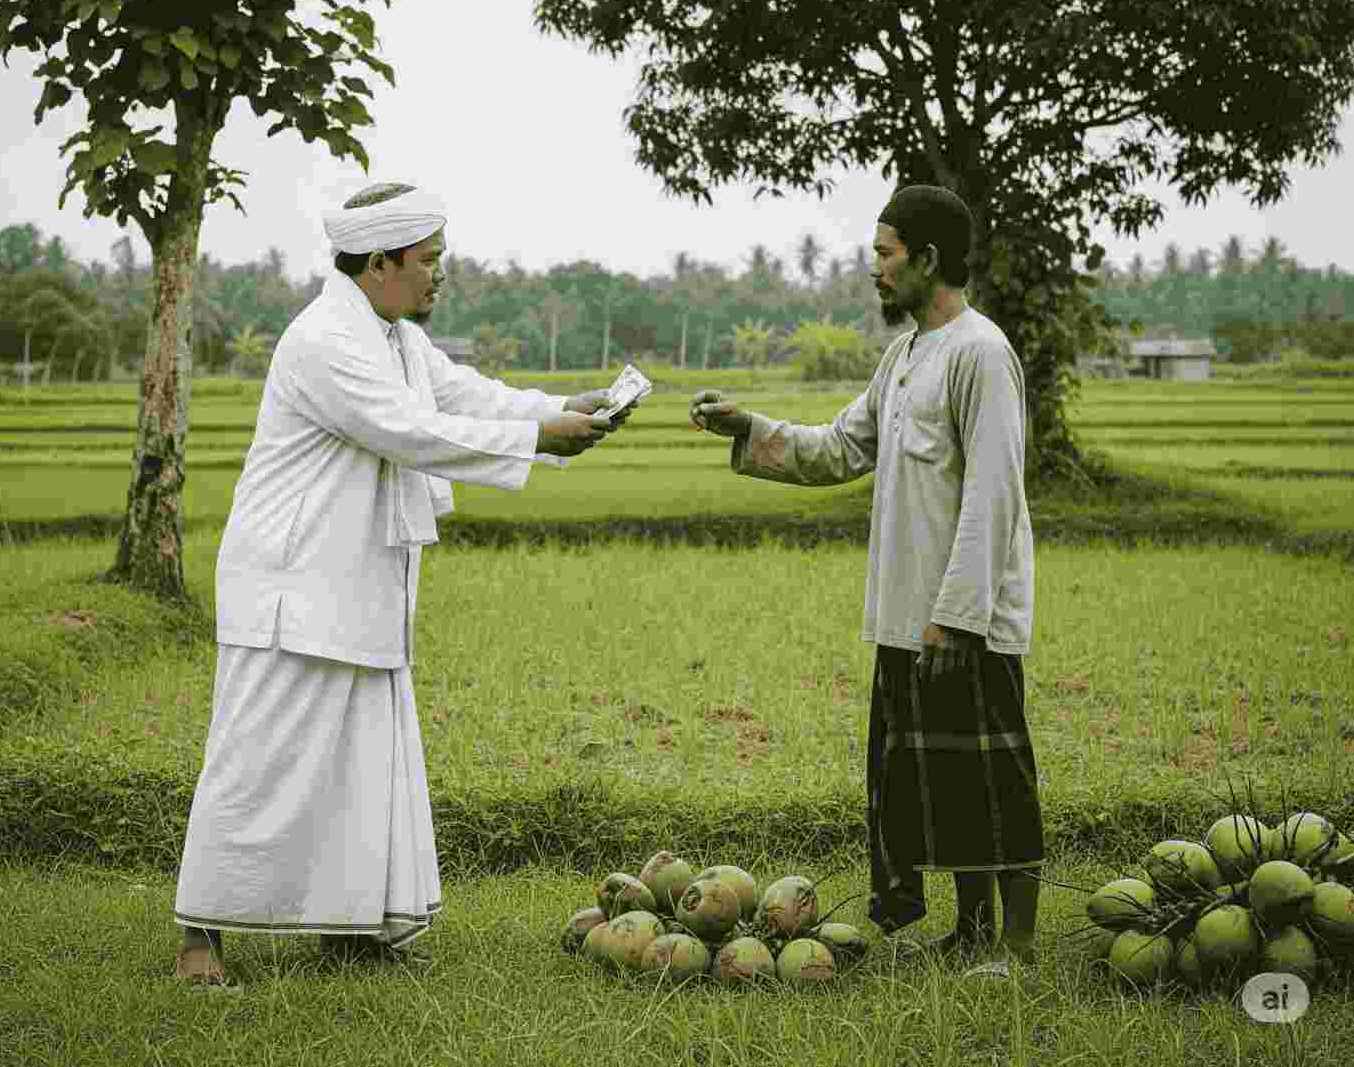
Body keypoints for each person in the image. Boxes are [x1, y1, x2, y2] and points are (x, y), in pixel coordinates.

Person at [174, 182, 629, 986]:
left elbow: (463, 394)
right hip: (292, 584)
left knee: (357, 766)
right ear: (377, 263)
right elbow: (410, 430)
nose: (438, 276)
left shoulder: (394, 339)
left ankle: (347, 927)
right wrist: (538, 436)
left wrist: (565, 407)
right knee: (255, 760)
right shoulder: (324, 340)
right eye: (429, 262)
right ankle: (198, 938)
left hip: (359, 580)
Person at [689, 185, 1042, 977]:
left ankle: (1014, 947)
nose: (875, 269)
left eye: (885, 254)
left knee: (991, 780)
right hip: (903, 614)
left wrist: (957, 615)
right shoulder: (906, 355)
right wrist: (750, 427)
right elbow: (839, 447)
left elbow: (992, 492)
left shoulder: (981, 353)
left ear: (927, 258)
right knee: (935, 784)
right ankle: (971, 931)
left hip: (960, 617)